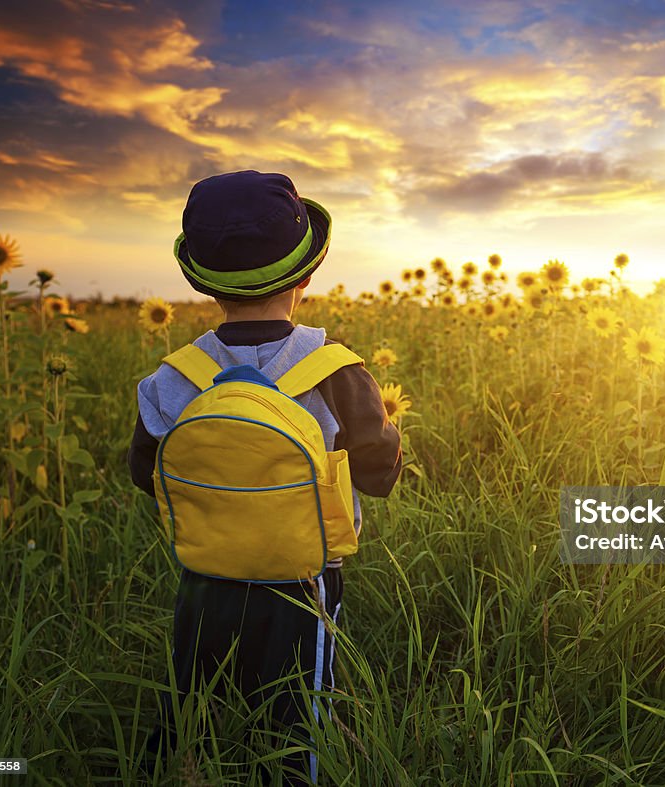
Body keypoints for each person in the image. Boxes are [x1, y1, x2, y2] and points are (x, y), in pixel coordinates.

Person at [127, 170, 402, 784]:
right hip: (305, 580)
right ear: (306, 274)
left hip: (204, 573)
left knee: (191, 696)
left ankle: (168, 771)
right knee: (302, 711)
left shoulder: (172, 376)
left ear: (199, 281)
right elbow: (379, 475)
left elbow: (147, 473)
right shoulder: (337, 369)